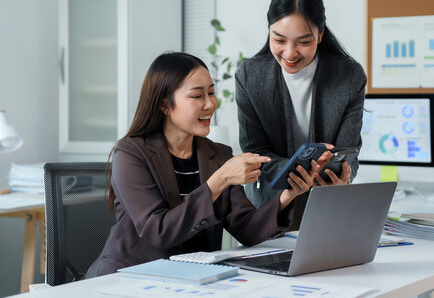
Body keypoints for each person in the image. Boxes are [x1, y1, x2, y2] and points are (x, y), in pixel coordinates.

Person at [86, 52, 317, 278]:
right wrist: (219, 180)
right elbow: (158, 231)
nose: (210, 104)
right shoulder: (131, 153)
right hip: (131, 278)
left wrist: (288, 195)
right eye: (197, 96)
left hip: (195, 279)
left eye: (211, 93)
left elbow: (248, 229)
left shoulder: (217, 154)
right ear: (164, 105)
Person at [235, 0, 367, 226]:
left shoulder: (349, 76)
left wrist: (342, 175)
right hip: (270, 208)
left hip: (327, 206)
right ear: (269, 32)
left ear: (320, 35)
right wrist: (300, 171)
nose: (289, 52)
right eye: (279, 39)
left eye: (303, 42)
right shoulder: (249, 76)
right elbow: (255, 152)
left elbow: (350, 151)